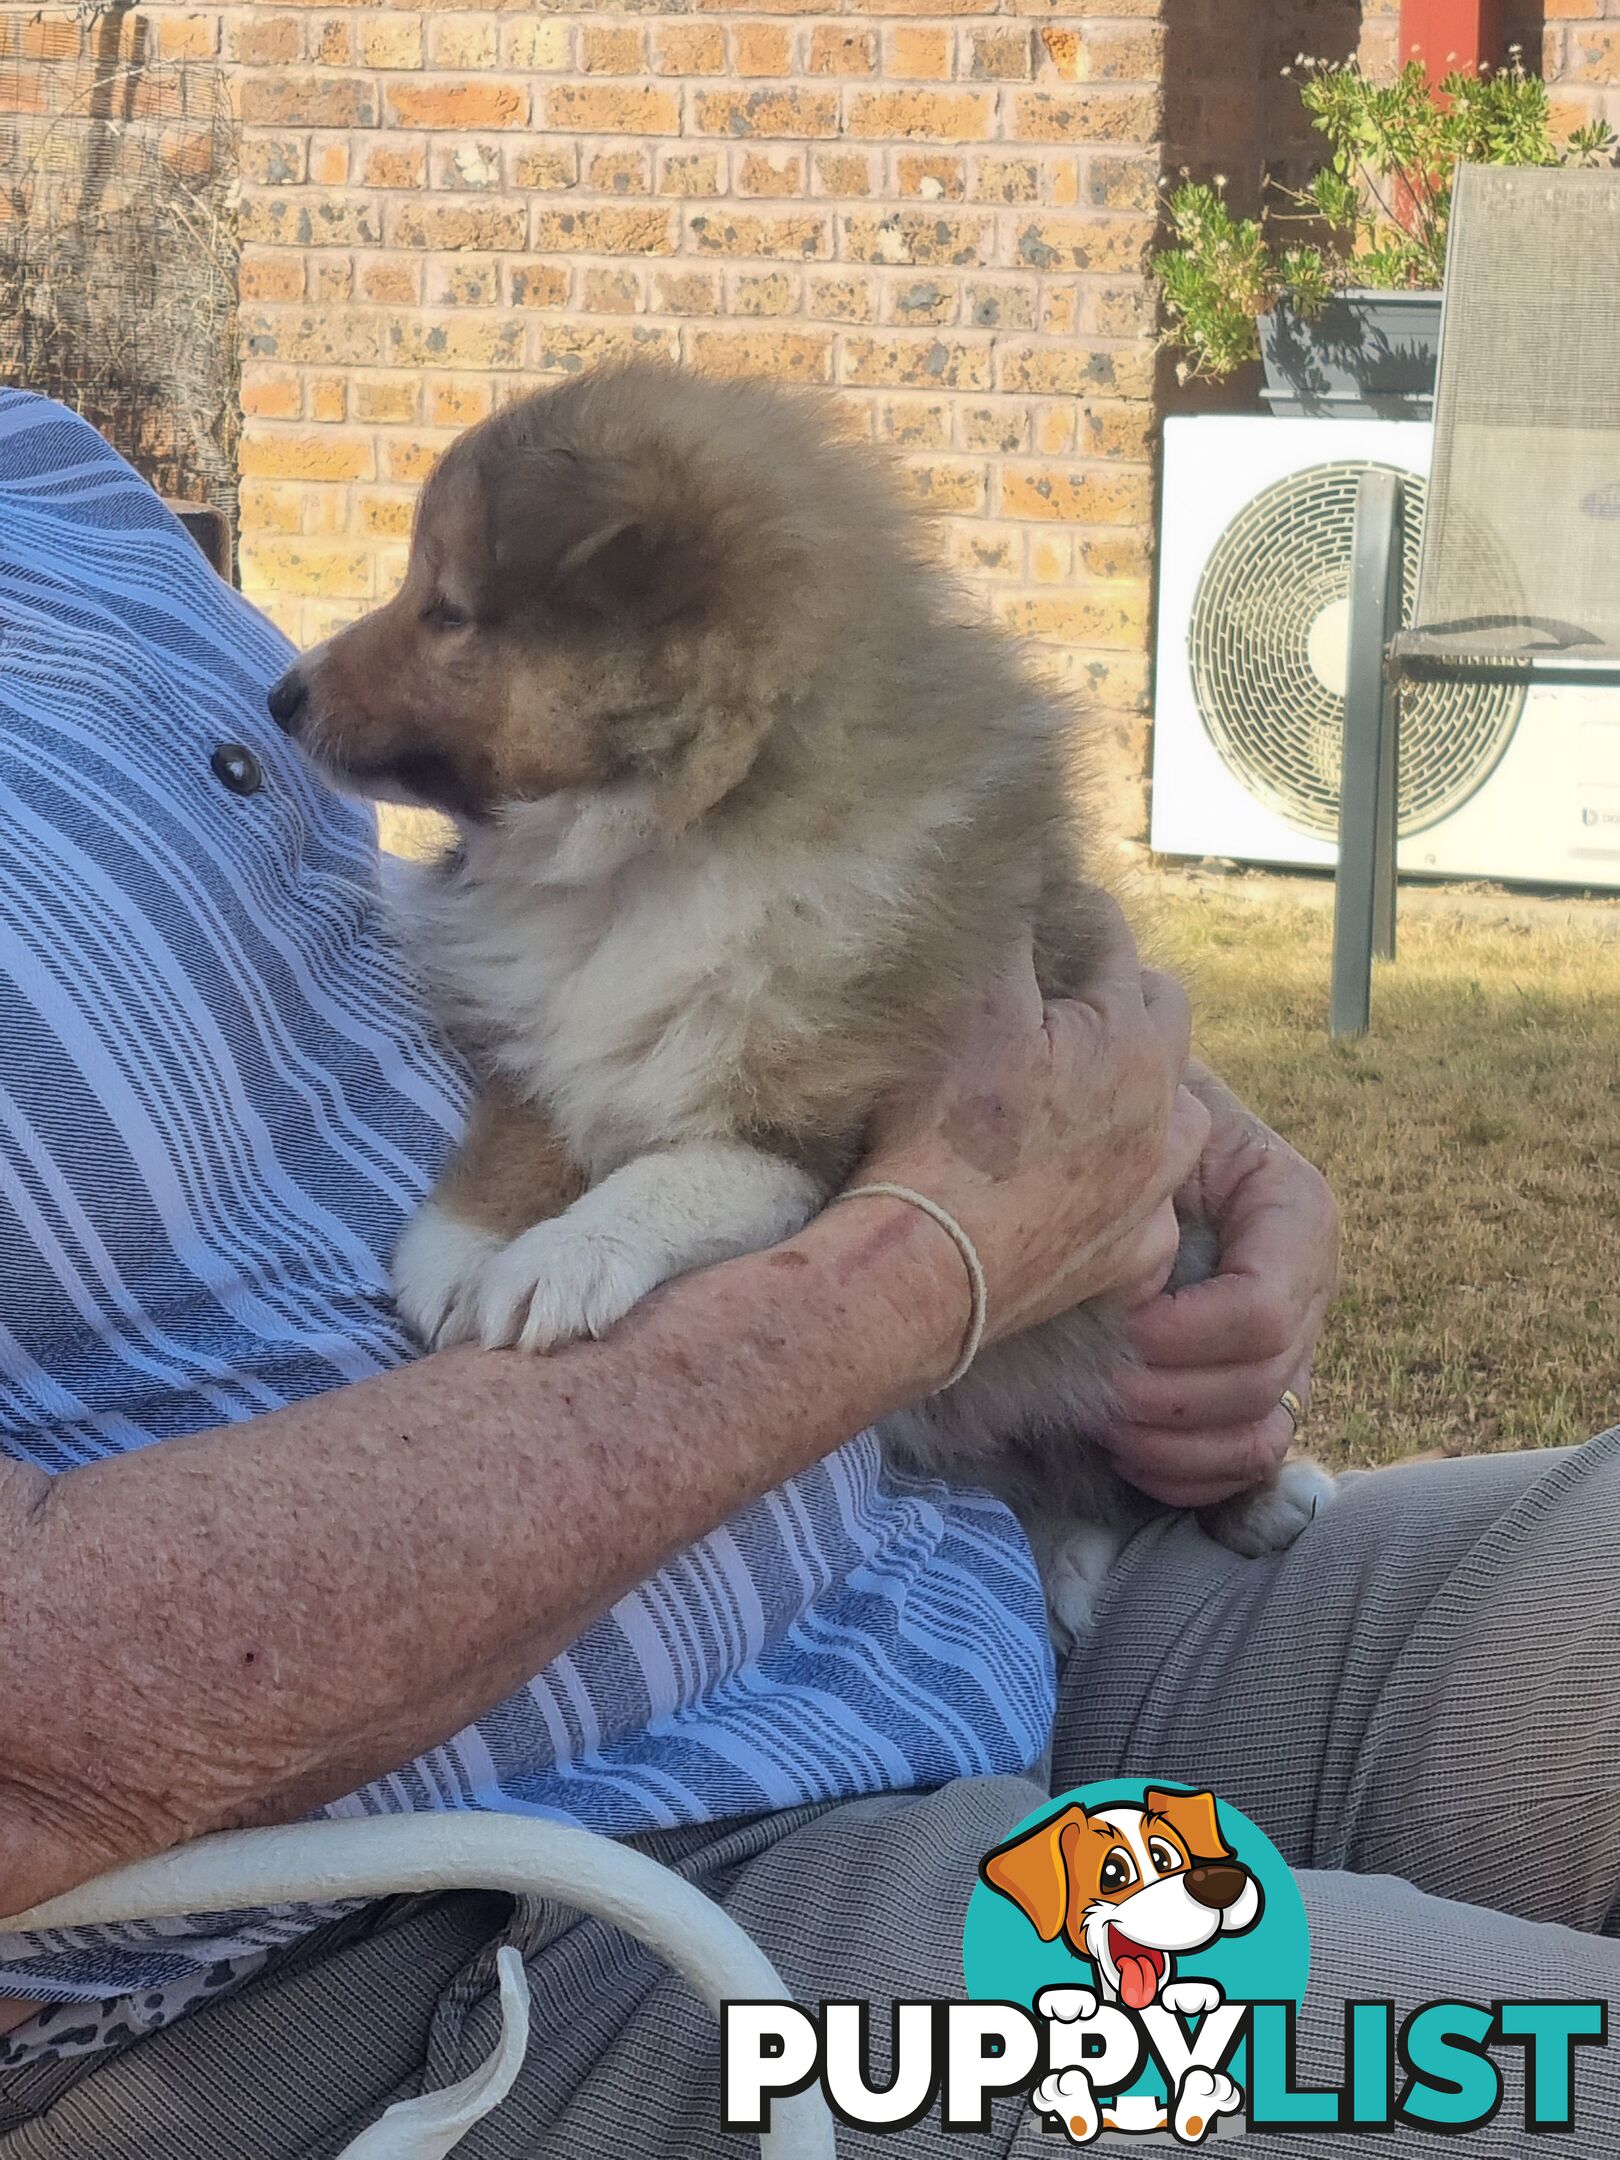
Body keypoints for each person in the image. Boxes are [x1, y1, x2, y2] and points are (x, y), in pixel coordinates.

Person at [0, 393, 1614, 2159]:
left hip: (955, 1570)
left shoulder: (41, 472)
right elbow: (40, 1736)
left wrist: (1110, 1110)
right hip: (498, 1921)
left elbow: (488, 911)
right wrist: (919, 1267)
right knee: (1557, 2084)